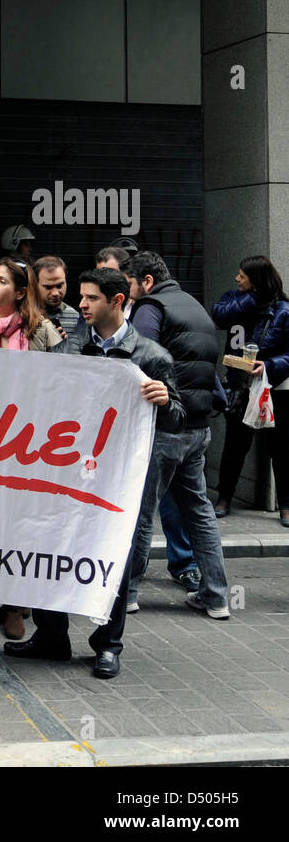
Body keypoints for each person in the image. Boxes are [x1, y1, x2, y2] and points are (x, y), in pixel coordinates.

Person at [5, 268, 182, 679]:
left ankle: (107, 645)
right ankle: (52, 637)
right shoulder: (68, 351)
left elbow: (178, 420)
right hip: (67, 473)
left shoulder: (152, 356)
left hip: (118, 478)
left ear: (117, 301)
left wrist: (164, 401)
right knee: (49, 546)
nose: (80, 305)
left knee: (113, 554)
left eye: (91, 298)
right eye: (81, 297)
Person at [120, 251, 229, 616]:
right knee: (199, 511)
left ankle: (128, 593)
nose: (129, 294)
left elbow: (140, 357)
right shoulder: (194, 306)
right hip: (198, 429)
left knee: (141, 512)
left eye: (131, 285)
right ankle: (216, 596)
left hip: (164, 426)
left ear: (147, 281)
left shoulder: (151, 307)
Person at [0, 257, 65, 639]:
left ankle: (18, 606)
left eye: (2, 281)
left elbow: (60, 383)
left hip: (28, 442)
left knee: (21, 523)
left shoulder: (42, 332)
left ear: (21, 292)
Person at [212, 255, 289, 523]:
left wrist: (268, 366)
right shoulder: (235, 300)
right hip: (239, 387)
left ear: (255, 280)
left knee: (280, 448)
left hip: (273, 389)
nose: (237, 278)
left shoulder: (283, 311)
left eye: (242, 275)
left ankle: (286, 504)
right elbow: (218, 315)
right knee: (234, 447)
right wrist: (253, 298)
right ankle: (224, 498)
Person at [32, 255, 79, 339]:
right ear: (35, 285)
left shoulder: (75, 317)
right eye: (48, 287)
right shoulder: (23, 314)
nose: (55, 293)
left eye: (59, 285)